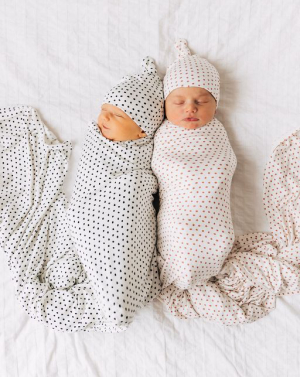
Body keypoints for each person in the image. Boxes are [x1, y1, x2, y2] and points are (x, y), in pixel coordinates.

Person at [0, 56, 164, 332]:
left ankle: (115, 298)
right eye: (105, 109)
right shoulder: (96, 139)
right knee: (64, 267)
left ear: (141, 132)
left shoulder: (141, 155)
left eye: (118, 115)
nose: (105, 117)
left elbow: (133, 199)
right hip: (85, 219)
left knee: (113, 265)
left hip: (122, 203)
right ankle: (100, 291)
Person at [151, 39, 300, 325]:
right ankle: (184, 271)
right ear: (165, 105)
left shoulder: (216, 133)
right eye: (179, 102)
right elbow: (161, 169)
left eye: (201, 101)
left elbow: (224, 166)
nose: (190, 108)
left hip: (213, 221)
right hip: (178, 218)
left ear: (216, 104)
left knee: (217, 241)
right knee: (179, 237)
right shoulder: (164, 134)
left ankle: (207, 264)